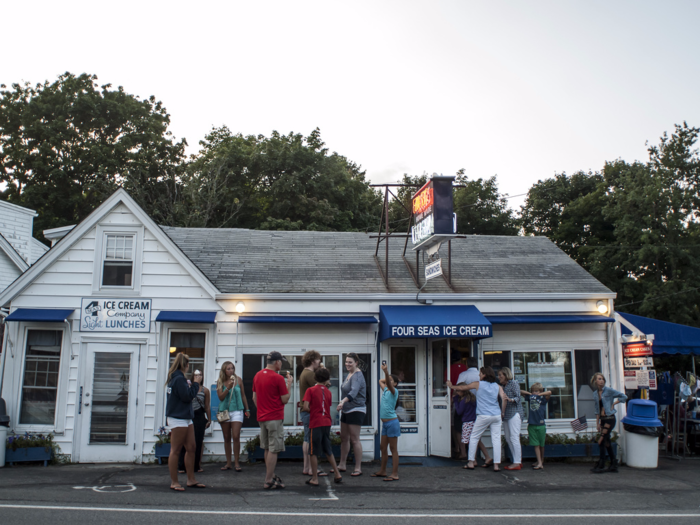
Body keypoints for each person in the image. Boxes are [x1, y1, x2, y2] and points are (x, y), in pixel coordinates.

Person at [448, 366, 507, 471]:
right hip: (496, 415)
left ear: (484, 374)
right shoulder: (497, 386)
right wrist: (502, 412)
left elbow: (463, 388)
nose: (479, 375)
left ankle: (471, 462)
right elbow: (504, 398)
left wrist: (451, 386)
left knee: (474, 437)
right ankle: (496, 465)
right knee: (496, 439)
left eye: (480, 373)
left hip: (483, 415)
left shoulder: (478, 384)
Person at [253, 351, 294, 489]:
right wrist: (289, 384)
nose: (281, 363)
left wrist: (262, 409)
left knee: (266, 447)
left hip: (262, 417)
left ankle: (270, 474)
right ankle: (268, 479)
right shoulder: (277, 378)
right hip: (275, 417)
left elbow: (254, 398)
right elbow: (285, 399)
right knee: (274, 449)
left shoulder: (257, 375)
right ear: (277, 362)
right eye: (281, 361)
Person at [165, 353, 205, 490]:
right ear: (185, 365)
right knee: (176, 450)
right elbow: (187, 397)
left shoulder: (178, 379)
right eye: (188, 365)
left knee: (191, 447)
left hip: (186, 417)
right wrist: (195, 384)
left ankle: (191, 479)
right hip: (178, 418)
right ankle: (174, 482)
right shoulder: (178, 379)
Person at [302, 367, 343, 486]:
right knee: (327, 449)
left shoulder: (310, 390)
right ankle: (337, 473)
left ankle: (314, 478)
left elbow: (305, 407)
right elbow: (327, 405)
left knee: (313, 451)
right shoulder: (329, 392)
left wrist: (312, 411)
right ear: (327, 379)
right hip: (326, 421)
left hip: (315, 422)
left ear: (315, 377)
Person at [456, 357, 492, 465]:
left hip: (467, 409)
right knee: (475, 435)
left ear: (467, 364)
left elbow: (459, 387)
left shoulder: (464, 375)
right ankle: (483, 457)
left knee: (465, 433)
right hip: (480, 407)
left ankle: (468, 456)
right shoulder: (480, 375)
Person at [590, 372, 628, 474]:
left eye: (602, 379)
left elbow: (624, 396)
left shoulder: (609, 391)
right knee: (606, 442)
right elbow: (597, 409)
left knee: (601, 441)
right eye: (599, 379)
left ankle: (601, 465)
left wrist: (614, 403)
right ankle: (613, 464)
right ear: (595, 381)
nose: (601, 381)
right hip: (603, 419)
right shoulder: (595, 394)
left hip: (610, 418)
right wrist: (597, 423)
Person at [217, 361, 250, 472]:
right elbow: (220, 397)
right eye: (228, 369)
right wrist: (228, 387)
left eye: (232, 368)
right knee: (226, 437)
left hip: (237, 410)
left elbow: (243, 395)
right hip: (225, 411)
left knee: (235, 436)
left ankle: (236, 462)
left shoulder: (238, 380)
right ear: (224, 371)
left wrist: (247, 408)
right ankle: (228, 463)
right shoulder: (220, 381)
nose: (231, 370)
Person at [337, 352, 366, 476]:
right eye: (346, 362)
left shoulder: (358, 375)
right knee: (344, 438)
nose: (347, 364)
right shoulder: (349, 374)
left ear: (356, 363)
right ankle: (342, 464)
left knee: (354, 439)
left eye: (350, 362)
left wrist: (342, 401)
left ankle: (358, 467)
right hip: (346, 410)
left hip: (356, 409)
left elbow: (354, 392)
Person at [372, 363, 401, 481]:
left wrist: (387, 373)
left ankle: (394, 473)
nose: (387, 382)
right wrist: (389, 377)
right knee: (383, 448)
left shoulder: (395, 392)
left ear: (395, 384)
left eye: (390, 381)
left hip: (392, 423)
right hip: (385, 424)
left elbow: (388, 383)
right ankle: (383, 471)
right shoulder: (385, 391)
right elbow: (380, 381)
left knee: (393, 449)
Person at [178, 369, 211, 473]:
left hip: (199, 415)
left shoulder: (205, 390)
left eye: (200, 375)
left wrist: (209, 419)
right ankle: (182, 466)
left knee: (198, 441)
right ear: (192, 376)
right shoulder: (188, 388)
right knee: (184, 441)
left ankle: (196, 465)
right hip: (188, 414)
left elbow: (206, 406)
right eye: (196, 375)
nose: (198, 376)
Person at [299, 350, 323, 476]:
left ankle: (306, 467)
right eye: (318, 359)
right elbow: (321, 387)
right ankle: (310, 468)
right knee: (310, 440)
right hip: (309, 411)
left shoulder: (305, 373)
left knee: (307, 439)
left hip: (305, 411)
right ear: (313, 360)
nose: (320, 362)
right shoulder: (309, 374)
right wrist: (325, 377)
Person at [521, 382, 552, 470]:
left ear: (541, 391)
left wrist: (539, 394)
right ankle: (539, 462)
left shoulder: (543, 399)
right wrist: (531, 394)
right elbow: (521, 392)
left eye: (536, 391)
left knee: (541, 445)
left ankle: (540, 461)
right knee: (536, 445)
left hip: (541, 424)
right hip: (532, 424)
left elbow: (549, 393)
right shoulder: (530, 398)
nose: (535, 392)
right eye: (533, 391)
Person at [499, 367, 524, 471]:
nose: (499, 377)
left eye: (501, 375)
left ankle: (517, 462)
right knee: (508, 438)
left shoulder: (513, 383)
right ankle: (515, 460)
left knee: (514, 437)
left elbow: (518, 397)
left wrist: (511, 399)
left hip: (514, 413)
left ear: (506, 375)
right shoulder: (503, 386)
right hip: (506, 414)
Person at [453, 382, 477, 467]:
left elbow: (459, 411)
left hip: (467, 422)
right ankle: (474, 460)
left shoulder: (464, 400)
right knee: (473, 441)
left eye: (458, 391)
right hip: (474, 421)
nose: (457, 393)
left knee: (467, 442)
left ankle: (472, 461)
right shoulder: (472, 398)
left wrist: (455, 400)